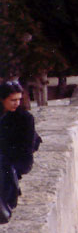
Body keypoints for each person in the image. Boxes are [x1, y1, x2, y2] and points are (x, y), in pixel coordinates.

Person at [0, 81, 41, 223]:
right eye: (12, 100)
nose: (16, 103)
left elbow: (26, 149)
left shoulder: (25, 118)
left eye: (19, 99)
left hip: (18, 159)